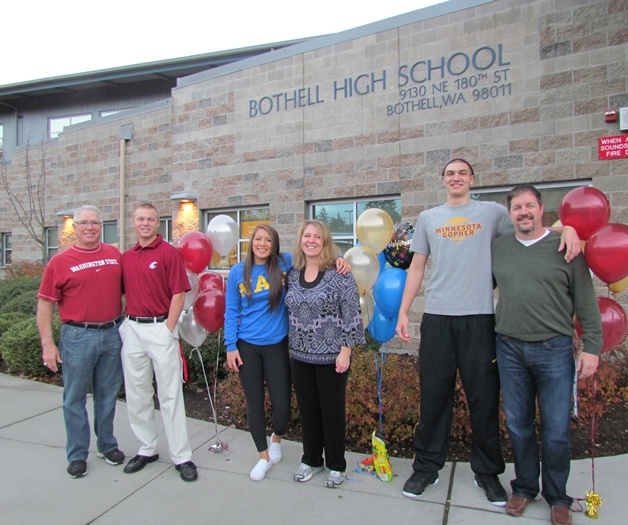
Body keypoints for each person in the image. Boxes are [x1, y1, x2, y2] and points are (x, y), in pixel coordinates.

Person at [395, 159, 580, 505]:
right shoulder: (428, 218)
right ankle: (427, 467)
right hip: (438, 317)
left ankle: (487, 472)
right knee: (434, 396)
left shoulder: (493, 213)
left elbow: (532, 229)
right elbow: (417, 266)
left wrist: (566, 229)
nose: (456, 177)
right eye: (450, 173)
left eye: (462, 173)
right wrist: (404, 312)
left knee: (483, 399)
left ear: (472, 180)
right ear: (443, 180)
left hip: (480, 319)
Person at [492, 185, 602, 525]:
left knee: (556, 430)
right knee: (518, 425)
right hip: (509, 348)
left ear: (542, 209)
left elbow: (585, 300)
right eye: (517, 208)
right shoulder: (499, 248)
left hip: (554, 349)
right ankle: (524, 487)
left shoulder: (564, 247)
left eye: (529, 206)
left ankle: (557, 496)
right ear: (510, 214)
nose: (523, 212)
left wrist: (593, 348)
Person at [225, 224, 351, 482]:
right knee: (258, 403)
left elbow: (316, 251)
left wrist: (340, 257)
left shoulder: (285, 264)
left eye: (268, 240)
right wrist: (230, 346)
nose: (262, 244)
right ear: (251, 242)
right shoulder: (239, 272)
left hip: (281, 346)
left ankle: (279, 440)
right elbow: (231, 311)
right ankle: (264, 456)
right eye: (258, 239)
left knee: (285, 407)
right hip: (250, 346)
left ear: (275, 244)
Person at [37, 205, 125, 478]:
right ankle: (77, 454)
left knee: (107, 395)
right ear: (75, 227)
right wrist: (48, 345)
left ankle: (106, 444)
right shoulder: (59, 262)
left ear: (102, 226)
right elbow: (45, 305)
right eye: (84, 223)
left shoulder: (114, 255)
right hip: (77, 336)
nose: (90, 227)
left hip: (112, 333)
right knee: (74, 398)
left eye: (95, 223)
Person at [119, 202, 197, 482]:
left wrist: (168, 328)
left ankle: (181, 456)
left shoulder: (168, 253)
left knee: (170, 395)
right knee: (137, 392)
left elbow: (179, 293)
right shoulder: (126, 257)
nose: (145, 223)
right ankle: (146, 447)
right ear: (134, 222)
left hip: (160, 328)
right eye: (140, 219)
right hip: (133, 329)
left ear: (157, 223)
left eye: (150, 219)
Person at [285, 219, 365, 488]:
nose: (311, 240)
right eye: (306, 236)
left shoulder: (339, 273)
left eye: (316, 237)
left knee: (332, 411)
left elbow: (352, 312)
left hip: (332, 356)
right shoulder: (292, 275)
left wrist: (346, 351)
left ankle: (336, 464)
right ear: (300, 241)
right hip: (300, 355)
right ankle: (311, 460)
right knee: (308, 411)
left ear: (325, 241)